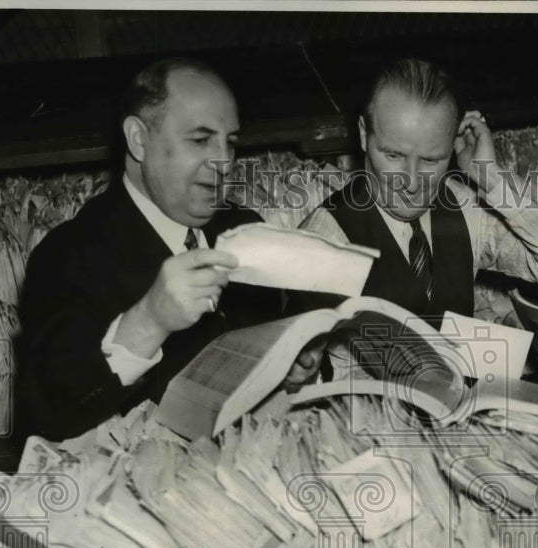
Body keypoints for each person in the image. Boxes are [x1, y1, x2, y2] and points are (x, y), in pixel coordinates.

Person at [16, 58, 320, 441]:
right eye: (199, 140)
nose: (224, 162)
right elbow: (47, 415)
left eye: (231, 142)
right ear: (139, 140)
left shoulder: (243, 225)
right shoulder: (65, 255)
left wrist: (294, 365)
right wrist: (147, 322)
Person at [296, 57, 538, 326]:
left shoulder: (464, 207)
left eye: (431, 160)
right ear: (364, 135)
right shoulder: (325, 238)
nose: (411, 182)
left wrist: (491, 178)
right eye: (393, 156)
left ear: (453, 145)